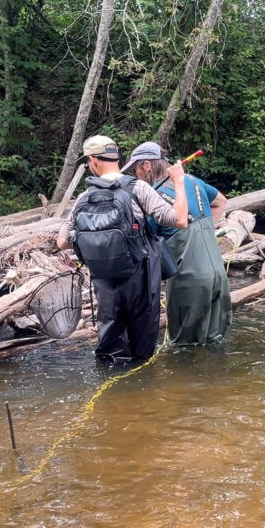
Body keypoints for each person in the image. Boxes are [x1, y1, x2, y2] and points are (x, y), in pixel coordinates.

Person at [57, 135, 189, 364]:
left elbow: (63, 242)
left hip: (104, 281)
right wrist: (178, 181)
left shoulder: (84, 197)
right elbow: (179, 220)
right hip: (140, 278)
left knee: (110, 345)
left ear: (92, 160)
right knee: (141, 348)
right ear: (116, 157)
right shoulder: (138, 188)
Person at [121, 141, 232, 344]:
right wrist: (204, 232)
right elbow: (221, 201)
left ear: (146, 165)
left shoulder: (152, 198)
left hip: (188, 282)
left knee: (184, 349)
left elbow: (148, 245)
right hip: (218, 275)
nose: (136, 176)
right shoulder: (192, 180)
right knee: (215, 342)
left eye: (135, 169)